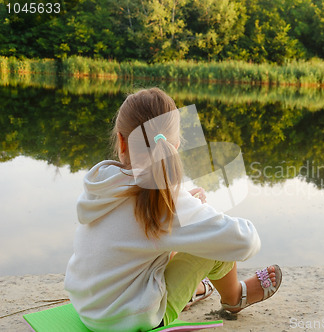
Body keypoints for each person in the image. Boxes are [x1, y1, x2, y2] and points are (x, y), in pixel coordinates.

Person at [64, 87, 282, 332]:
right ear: (175, 144)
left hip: (86, 307)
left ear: (122, 141)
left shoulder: (101, 184)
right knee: (211, 246)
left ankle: (197, 288)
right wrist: (200, 211)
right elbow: (245, 242)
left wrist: (183, 207)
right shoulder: (170, 204)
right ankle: (234, 297)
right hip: (129, 318)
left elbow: (128, 226)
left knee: (168, 236)